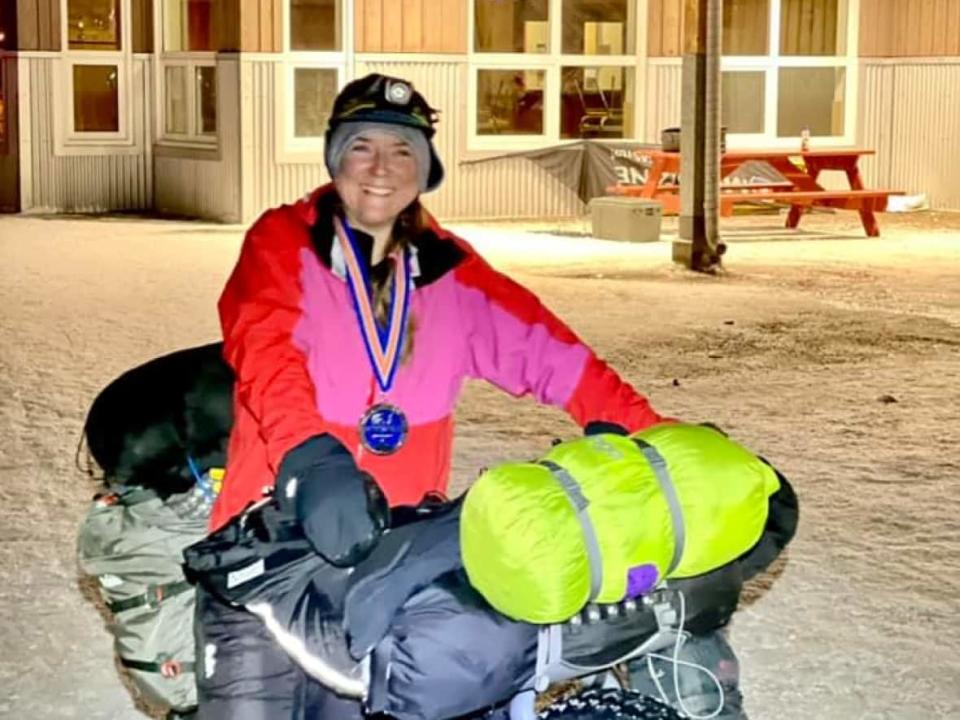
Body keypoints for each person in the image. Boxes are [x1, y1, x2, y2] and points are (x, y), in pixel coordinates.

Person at [194, 73, 745, 719]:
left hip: (397, 556)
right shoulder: (283, 241)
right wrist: (307, 457)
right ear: (334, 158)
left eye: (402, 151)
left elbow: (559, 360)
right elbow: (267, 352)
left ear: (425, 170)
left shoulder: (451, 270)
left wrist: (667, 442)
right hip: (271, 543)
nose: (381, 168)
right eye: (361, 146)